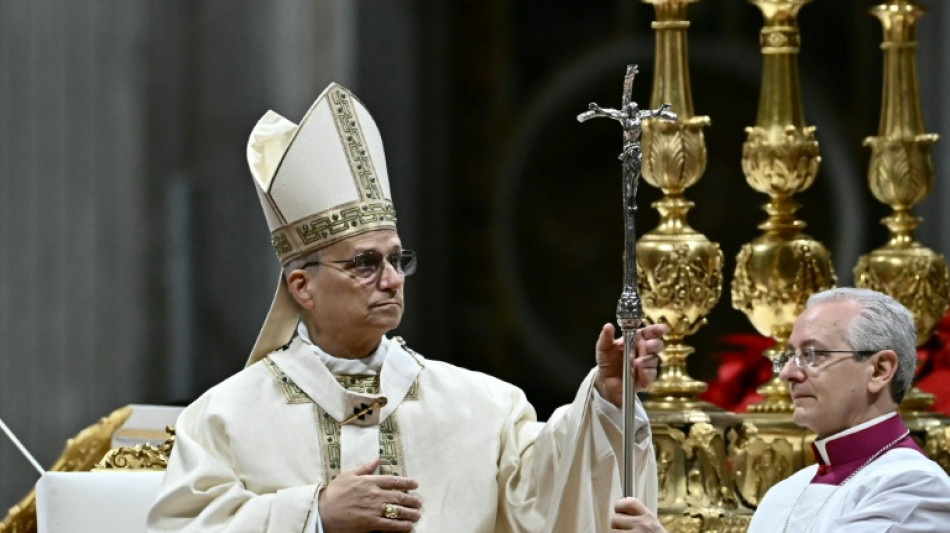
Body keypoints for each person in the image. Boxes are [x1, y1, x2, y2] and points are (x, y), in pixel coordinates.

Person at [146, 82, 667, 533]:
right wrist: (316, 516)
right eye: (365, 264)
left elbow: (550, 503)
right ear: (302, 287)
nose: (392, 280)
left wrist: (606, 400)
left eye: (397, 259)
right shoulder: (225, 418)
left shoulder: (483, 407)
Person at [610, 287, 950, 533]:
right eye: (788, 356)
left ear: (879, 370)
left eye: (813, 354)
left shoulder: (913, 486)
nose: (788, 372)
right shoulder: (785, 492)